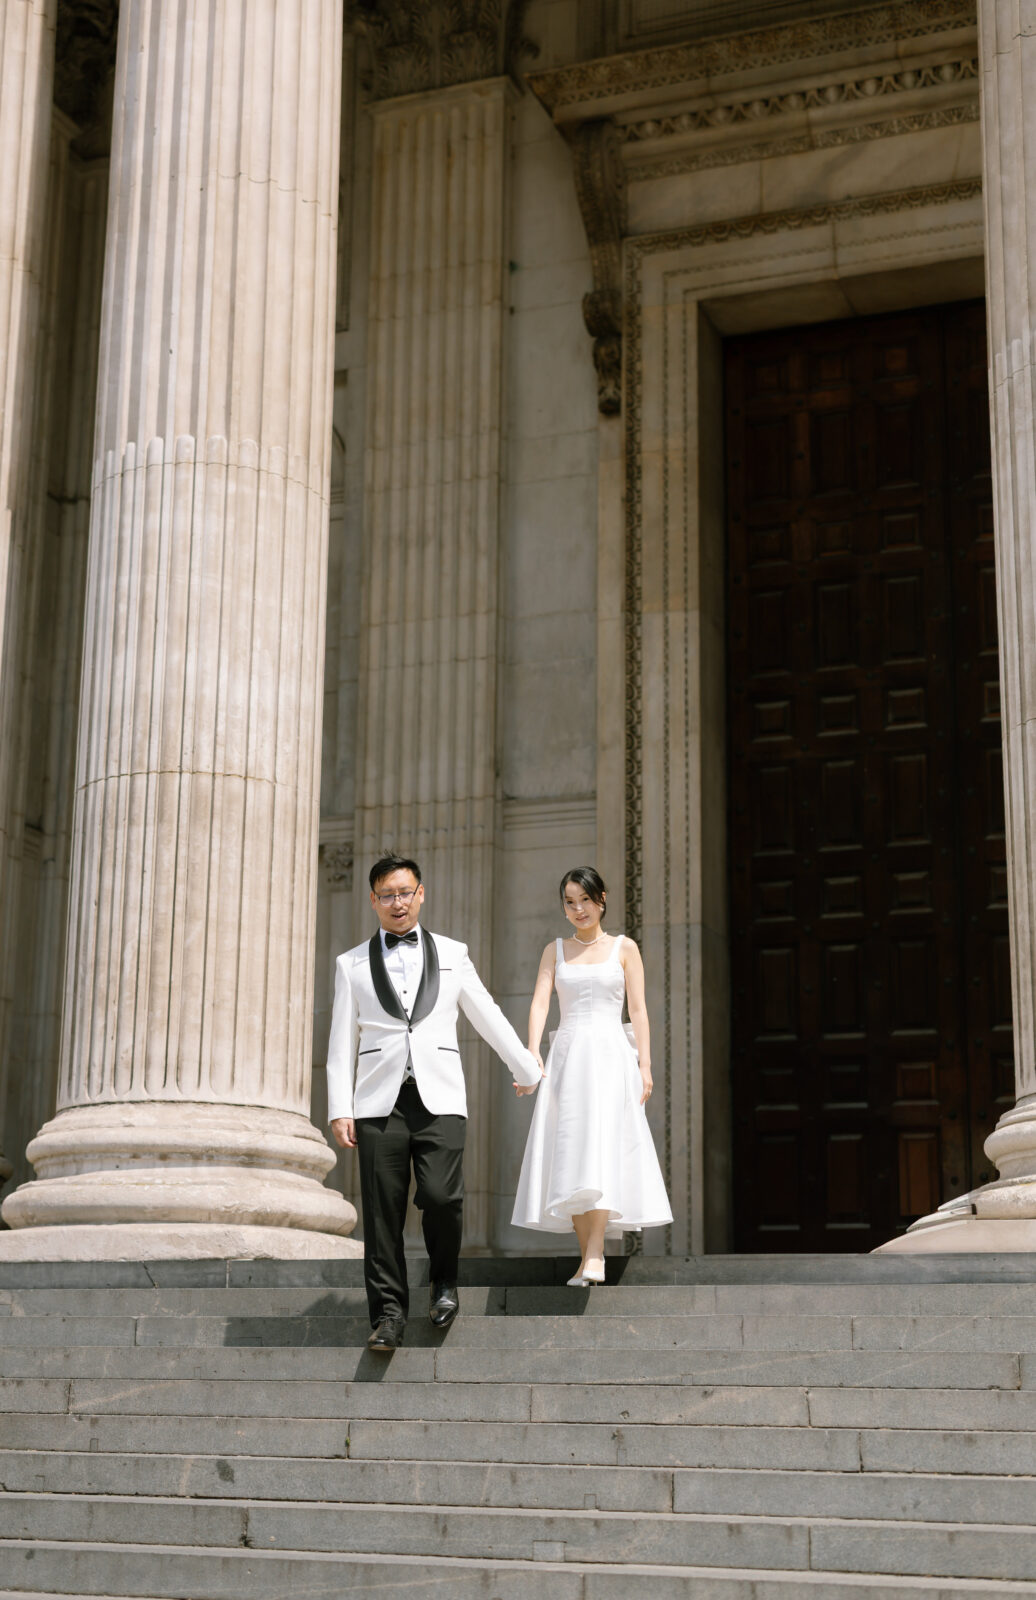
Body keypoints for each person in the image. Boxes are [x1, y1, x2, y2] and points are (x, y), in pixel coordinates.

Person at [327, 854, 541, 1350]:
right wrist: (341, 1106)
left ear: (421, 893)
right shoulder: (350, 963)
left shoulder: (453, 953)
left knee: (443, 1199)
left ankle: (444, 1282)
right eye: (387, 895)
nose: (397, 903)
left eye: (405, 892)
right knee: (382, 1213)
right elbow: (340, 1042)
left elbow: (484, 1011)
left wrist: (525, 1066)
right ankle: (388, 1315)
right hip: (378, 1102)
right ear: (373, 900)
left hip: (440, 1097)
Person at [511, 866, 672, 1282]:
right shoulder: (555, 950)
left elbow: (637, 1010)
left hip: (610, 1057)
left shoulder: (624, 947)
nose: (578, 909)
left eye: (585, 899)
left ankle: (596, 1255)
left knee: (600, 1148)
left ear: (602, 900)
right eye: (569, 901)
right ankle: (589, 1257)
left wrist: (646, 1064)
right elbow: (539, 1004)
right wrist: (532, 1052)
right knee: (571, 1155)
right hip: (567, 1057)